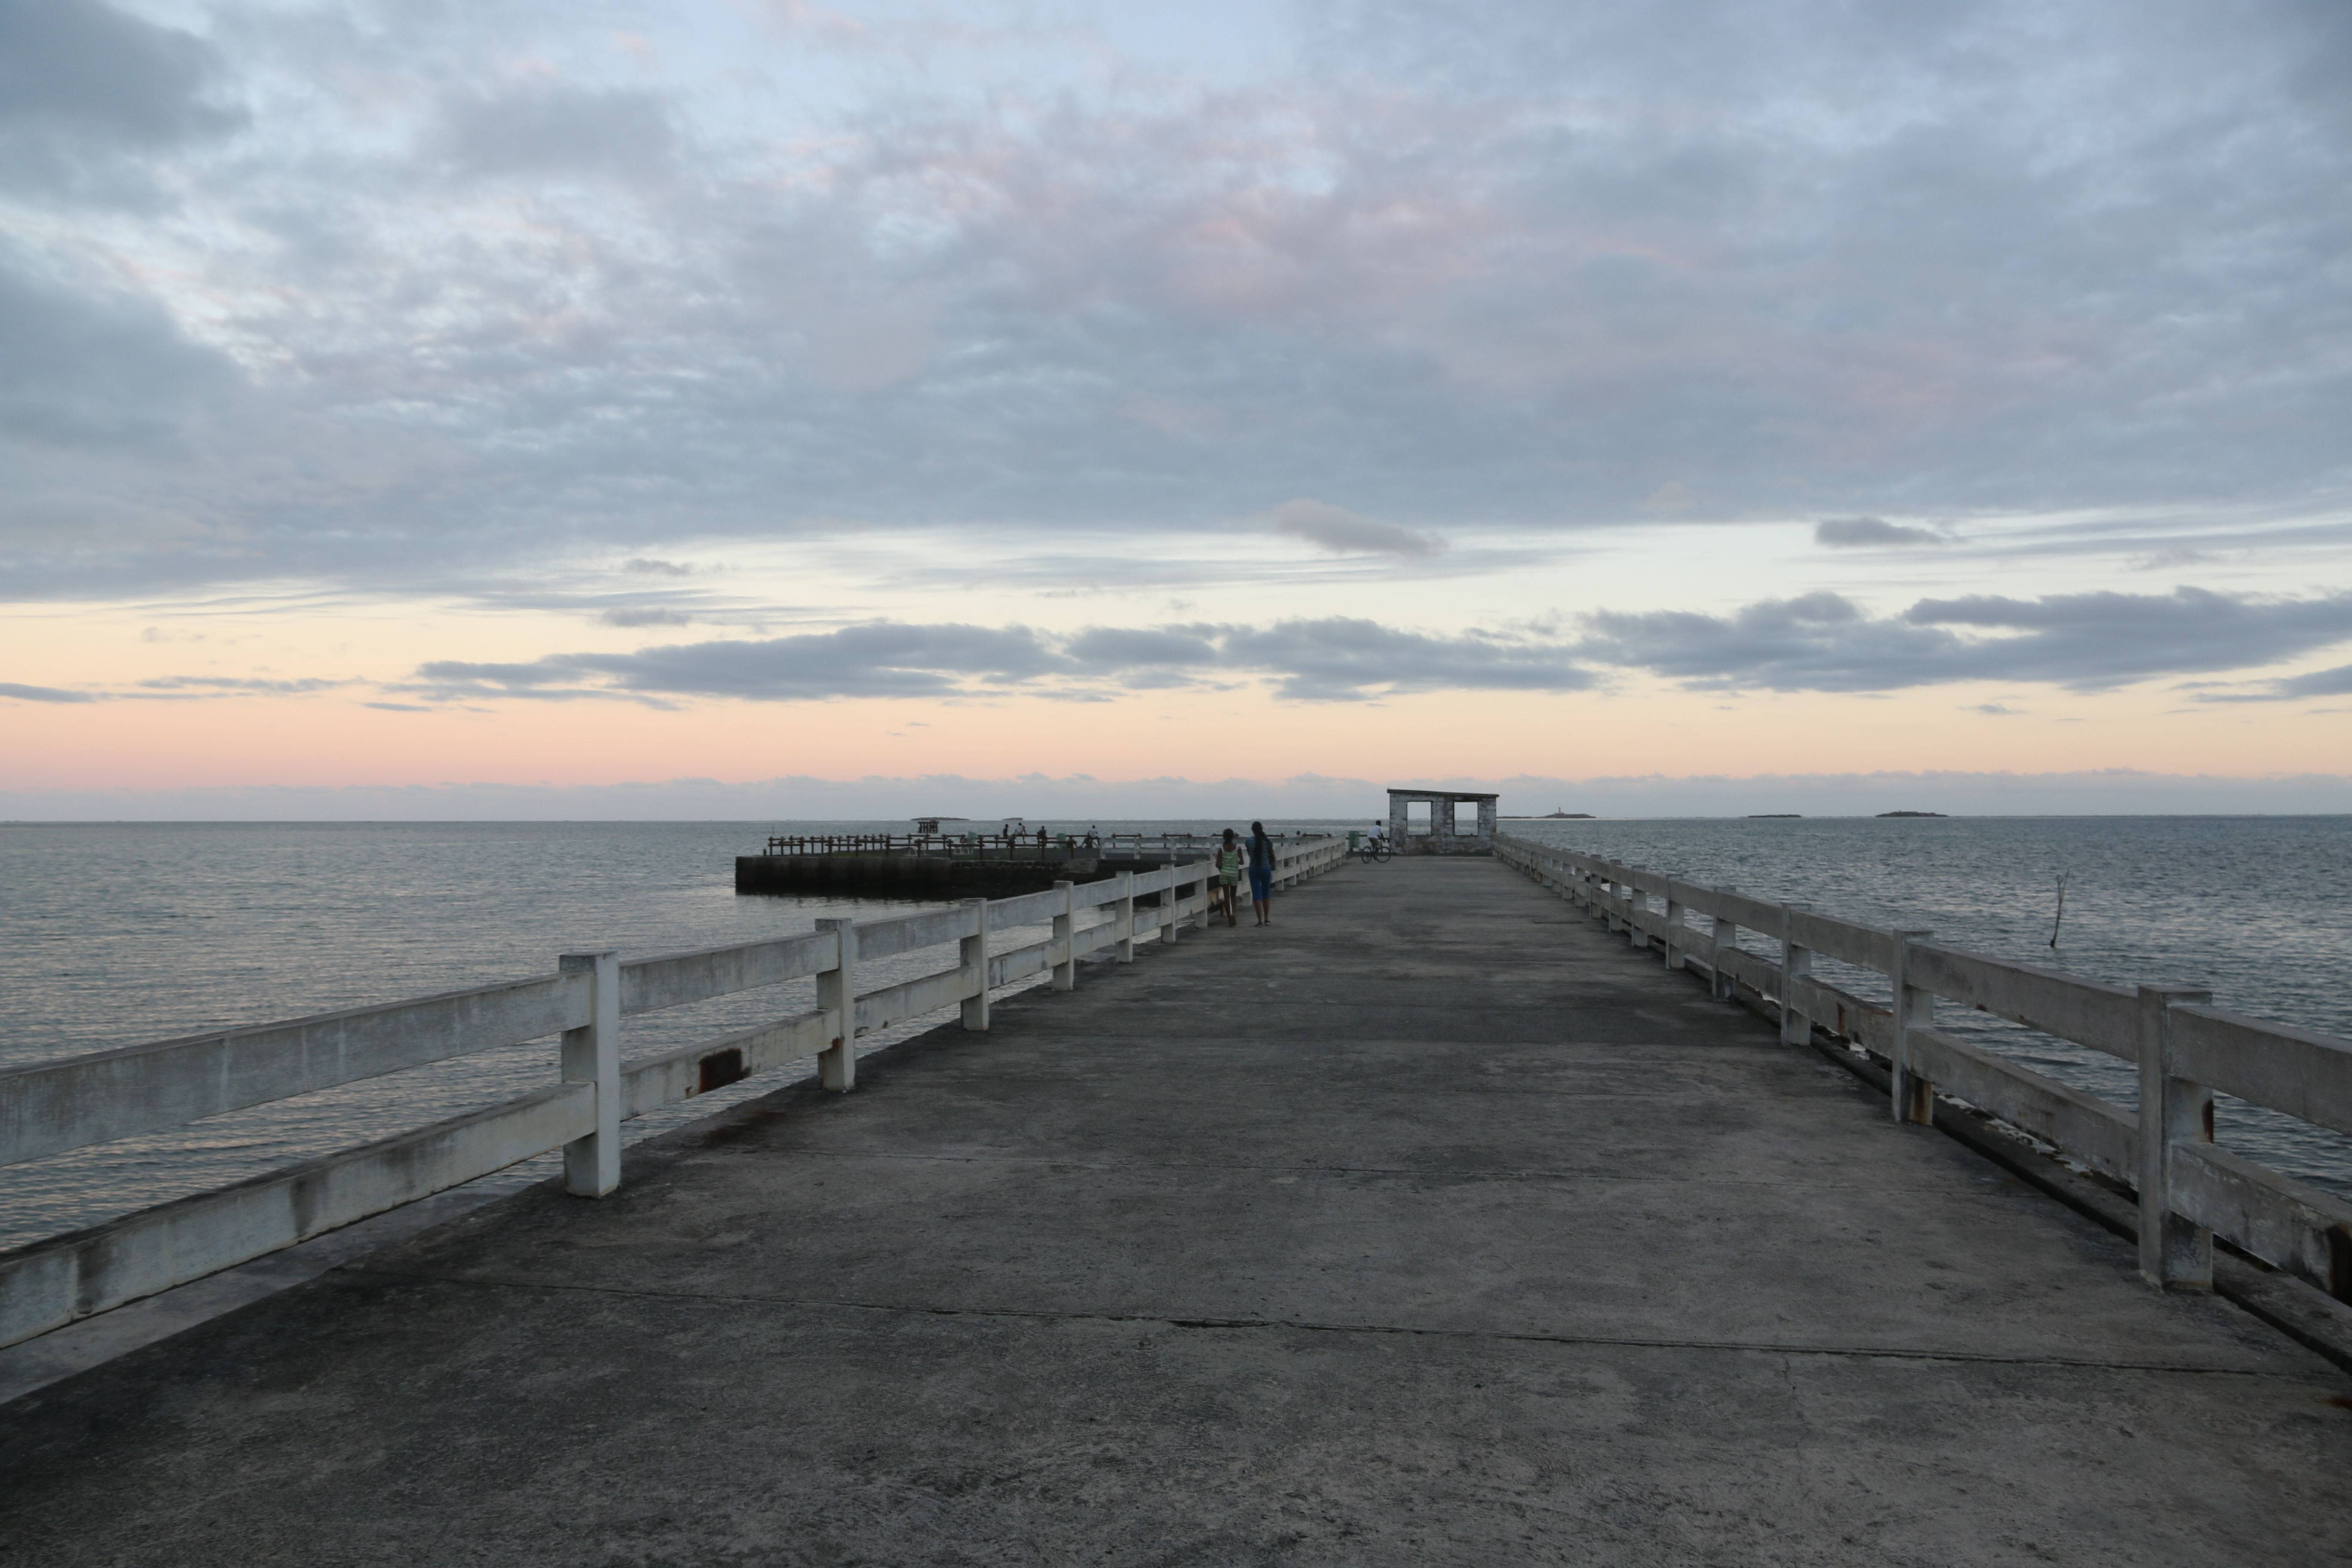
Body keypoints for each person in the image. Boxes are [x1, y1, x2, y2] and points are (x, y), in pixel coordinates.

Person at [1246, 821, 1276, 925]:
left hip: (1254, 869)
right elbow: (1272, 857)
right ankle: (1267, 919)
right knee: (1266, 893)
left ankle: (1260, 920)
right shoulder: (1268, 842)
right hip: (1266, 869)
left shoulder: (1249, 841)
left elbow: (1250, 854)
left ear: (1252, 830)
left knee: (1257, 895)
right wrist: (1273, 865)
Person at [1215, 827, 1246, 926]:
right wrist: (1235, 862)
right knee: (1233, 897)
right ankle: (1234, 914)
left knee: (1226, 897)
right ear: (1233, 837)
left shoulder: (1222, 849)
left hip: (1224, 873)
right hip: (1234, 874)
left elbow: (1217, 864)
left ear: (1224, 837)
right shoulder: (1238, 848)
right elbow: (1242, 862)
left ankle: (1229, 918)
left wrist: (1223, 865)